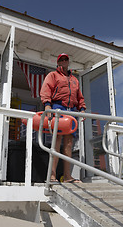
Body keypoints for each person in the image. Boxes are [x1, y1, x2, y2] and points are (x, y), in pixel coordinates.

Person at [40, 53, 86, 183]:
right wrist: (47, 106)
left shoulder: (75, 80)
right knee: (56, 140)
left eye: (66, 59)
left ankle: (67, 176)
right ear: (58, 62)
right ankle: (52, 175)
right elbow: (46, 89)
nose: (64, 61)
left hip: (71, 111)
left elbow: (79, 97)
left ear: (68, 62)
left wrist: (82, 108)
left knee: (69, 144)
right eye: (62, 59)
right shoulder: (53, 75)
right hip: (58, 107)